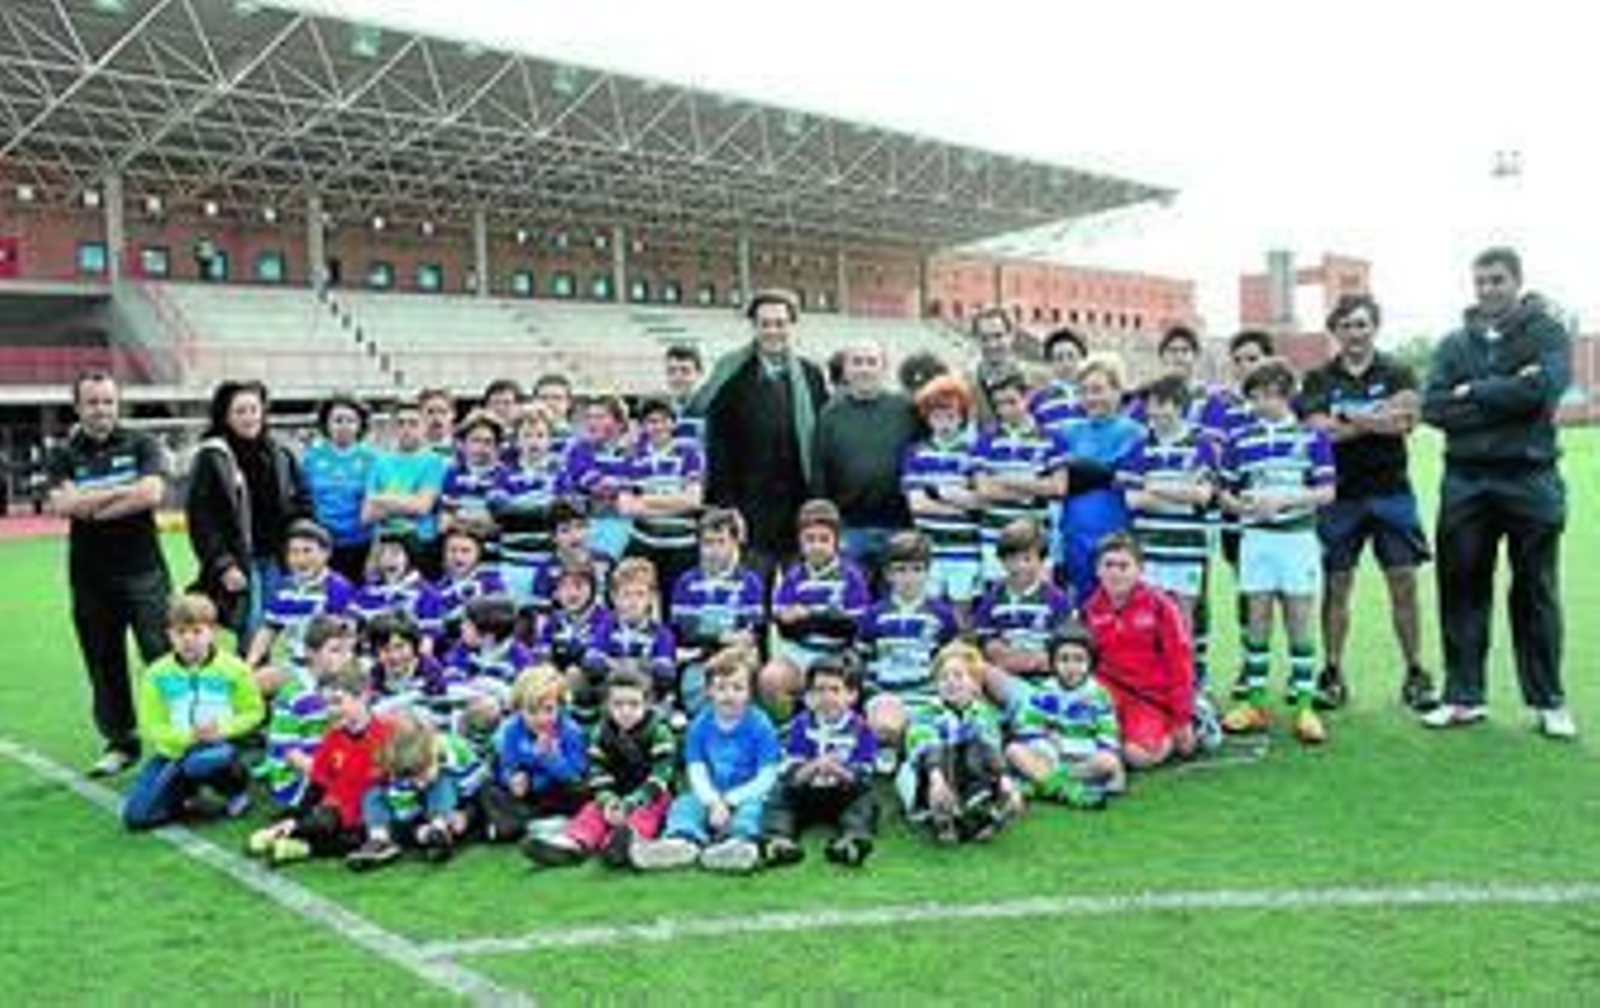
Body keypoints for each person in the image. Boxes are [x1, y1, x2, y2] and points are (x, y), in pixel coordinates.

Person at [1420, 246, 1574, 738]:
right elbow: (1435, 409)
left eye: (1497, 280)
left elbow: (1544, 390)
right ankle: (1465, 697)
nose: (1487, 289)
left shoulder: (1547, 332)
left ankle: (1549, 701)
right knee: (1462, 588)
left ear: (1517, 281)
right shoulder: (1452, 344)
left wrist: (1475, 391)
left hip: (1530, 479)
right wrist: (1507, 390)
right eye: (1481, 281)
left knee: (1536, 590)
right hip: (1466, 481)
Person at [1299, 293, 1436, 712]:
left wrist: (1349, 417)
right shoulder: (1320, 377)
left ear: (1374, 326)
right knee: (1337, 586)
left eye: (1362, 324)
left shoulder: (1397, 370)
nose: (1355, 333)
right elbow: (1322, 434)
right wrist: (1377, 417)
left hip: (1391, 493)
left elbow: (1405, 422)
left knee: (1404, 585)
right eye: (1346, 325)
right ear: (1335, 330)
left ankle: (1415, 672)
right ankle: (1333, 672)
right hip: (1339, 496)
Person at [46, 371, 173, 776]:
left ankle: (178, 736)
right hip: (90, 577)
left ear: (118, 405)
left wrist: (90, 503)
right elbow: (63, 507)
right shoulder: (63, 454)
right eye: (92, 402)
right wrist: (124, 493)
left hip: (144, 573)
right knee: (104, 661)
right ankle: (122, 741)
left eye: (107, 402)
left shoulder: (141, 442)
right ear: (78, 407)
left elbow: (151, 495)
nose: (101, 410)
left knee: (162, 656)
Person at [1218, 360, 1337, 745]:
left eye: (1265, 395)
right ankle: (1254, 703)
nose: (1257, 403)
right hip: (1257, 540)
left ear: (1283, 393)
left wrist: (1285, 498)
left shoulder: (1311, 438)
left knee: (1300, 621)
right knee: (1257, 620)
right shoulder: (1241, 439)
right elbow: (1225, 493)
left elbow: (1326, 492)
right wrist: (1244, 506)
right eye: (1252, 396)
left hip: (1298, 540)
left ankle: (1304, 706)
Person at [690, 288, 829, 580]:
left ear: (792, 326)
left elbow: (822, 444)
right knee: (752, 598)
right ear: (754, 327)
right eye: (765, 324)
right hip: (749, 508)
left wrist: (819, 501)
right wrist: (728, 506)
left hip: (799, 506)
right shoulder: (732, 376)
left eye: (780, 323)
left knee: (801, 594)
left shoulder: (811, 375)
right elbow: (719, 446)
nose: (773, 331)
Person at [630, 646, 781, 874]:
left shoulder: (761, 725)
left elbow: (766, 777)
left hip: (748, 793)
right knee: (684, 805)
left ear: (750, 692)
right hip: (709, 793)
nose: (728, 695)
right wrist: (712, 801)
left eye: (737, 688)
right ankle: (681, 843)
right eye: (720, 688)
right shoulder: (700, 724)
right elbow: (696, 770)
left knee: (754, 811)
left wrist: (729, 801)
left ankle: (737, 845)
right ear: (709, 691)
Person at [122, 594, 264, 831]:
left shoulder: (234, 668)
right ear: (170, 635)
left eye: (197, 631)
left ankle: (234, 790)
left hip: (220, 748)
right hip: (175, 755)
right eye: (180, 632)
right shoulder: (157, 673)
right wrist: (188, 738)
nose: (188, 639)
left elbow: (253, 712)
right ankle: (186, 791)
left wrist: (222, 730)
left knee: (205, 760)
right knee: (137, 818)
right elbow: (150, 725)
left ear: (212, 632)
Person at [186, 379, 310, 646]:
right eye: (240, 411)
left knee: (273, 629)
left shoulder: (279, 453)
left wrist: (301, 547)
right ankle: (249, 685)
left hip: (277, 558)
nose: (249, 417)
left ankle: (263, 686)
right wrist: (223, 564)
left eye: (254, 410)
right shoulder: (213, 457)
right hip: (241, 560)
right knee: (251, 628)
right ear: (225, 416)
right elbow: (201, 520)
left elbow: (302, 503)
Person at [524, 668, 677, 868]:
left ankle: (622, 844)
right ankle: (573, 845)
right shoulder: (601, 733)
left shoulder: (660, 733)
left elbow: (661, 777)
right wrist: (608, 801)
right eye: (618, 704)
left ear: (647, 704)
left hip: (651, 794)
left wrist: (630, 804)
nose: (626, 711)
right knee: (591, 811)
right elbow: (598, 774)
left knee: (645, 815)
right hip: (615, 792)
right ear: (607, 705)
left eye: (634, 704)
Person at [246, 660, 393, 867]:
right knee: (324, 821)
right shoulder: (332, 738)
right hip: (336, 811)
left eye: (337, 701)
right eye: (327, 704)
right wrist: (300, 816)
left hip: (372, 814)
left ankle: (295, 840)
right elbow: (318, 783)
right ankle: (288, 832)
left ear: (363, 697)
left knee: (355, 838)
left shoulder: (386, 734)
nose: (331, 710)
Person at [1078, 534, 1197, 768]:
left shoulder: (1161, 605)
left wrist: (1182, 718)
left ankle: (1189, 724)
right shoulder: (1090, 609)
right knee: (1075, 734)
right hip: (1107, 693)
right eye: (1108, 565)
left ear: (1140, 570)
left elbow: (1180, 662)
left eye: (1124, 566)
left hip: (1149, 698)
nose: (1115, 573)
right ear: (1097, 570)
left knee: (1138, 757)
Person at [760, 656, 880, 869]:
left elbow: (865, 773)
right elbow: (789, 770)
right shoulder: (800, 725)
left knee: (865, 801)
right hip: (806, 789)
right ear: (808, 696)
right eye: (819, 690)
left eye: (835, 690)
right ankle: (779, 840)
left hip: (843, 791)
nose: (826, 697)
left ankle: (850, 842)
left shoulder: (861, 728)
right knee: (779, 797)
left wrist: (838, 770)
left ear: (851, 695)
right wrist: (813, 767)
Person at [813, 339, 920, 576]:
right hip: (850, 528)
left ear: (883, 368)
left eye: (871, 362)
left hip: (898, 526)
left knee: (893, 601)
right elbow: (819, 472)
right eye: (857, 362)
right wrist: (828, 525)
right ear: (846, 369)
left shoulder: (906, 409)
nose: (864, 369)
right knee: (853, 602)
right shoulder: (830, 414)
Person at [898, 641, 1021, 845]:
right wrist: (937, 779)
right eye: (943, 677)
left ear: (974, 684)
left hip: (971, 777)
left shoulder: (984, 714)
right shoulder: (926, 712)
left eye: (958, 676)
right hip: (931, 778)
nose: (950, 682)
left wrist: (1004, 778)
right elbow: (922, 745)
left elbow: (991, 748)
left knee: (981, 746)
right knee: (939, 749)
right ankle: (946, 816)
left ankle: (982, 810)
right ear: (936, 684)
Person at [759, 499, 871, 720]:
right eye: (809, 539)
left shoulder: (852, 576)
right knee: (771, 678)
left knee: (837, 682)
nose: (816, 546)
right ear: (800, 541)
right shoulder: (792, 577)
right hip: (800, 653)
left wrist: (809, 617)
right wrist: (818, 620)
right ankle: (786, 728)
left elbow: (851, 627)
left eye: (824, 539)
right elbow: (786, 628)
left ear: (837, 541)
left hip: (838, 655)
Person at [857, 531, 959, 758]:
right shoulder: (874, 615)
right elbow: (862, 662)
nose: (909, 577)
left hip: (927, 695)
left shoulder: (942, 614)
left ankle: (915, 746)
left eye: (916, 569)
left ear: (927, 572)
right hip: (887, 694)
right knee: (886, 727)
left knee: (944, 732)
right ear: (888, 574)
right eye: (901, 570)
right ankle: (890, 743)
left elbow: (949, 660)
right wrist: (872, 694)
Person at [1000, 622, 1123, 807]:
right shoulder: (1044, 691)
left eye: (1079, 660)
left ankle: (1043, 783)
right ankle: (1066, 789)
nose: (1071, 667)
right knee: (1013, 750)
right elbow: (1028, 728)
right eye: (1064, 659)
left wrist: (1067, 745)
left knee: (1108, 762)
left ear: (1090, 662)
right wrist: (1046, 744)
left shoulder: (1098, 695)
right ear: (1053, 662)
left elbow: (1108, 738)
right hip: (1049, 754)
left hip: (1083, 759)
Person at [346, 710, 487, 871]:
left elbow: (480, 786)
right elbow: (405, 812)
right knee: (373, 795)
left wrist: (466, 814)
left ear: (433, 753)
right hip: (414, 812)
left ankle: (439, 832)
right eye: (413, 778)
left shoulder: (458, 751)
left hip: (456, 805)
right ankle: (379, 841)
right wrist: (418, 830)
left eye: (422, 774)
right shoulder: (400, 770)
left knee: (441, 781)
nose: (419, 783)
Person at [1054, 354, 1142, 604]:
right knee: (1082, 610)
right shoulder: (1068, 431)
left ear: (1117, 391)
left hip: (1117, 533)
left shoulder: (1134, 432)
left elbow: (1131, 480)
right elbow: (1058, 479)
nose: (1091, 398)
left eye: (1098, 390)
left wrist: (1088, 473)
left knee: (1118, 608)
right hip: (1074, 533)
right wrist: (1104, 474)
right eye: (1084, 391)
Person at [901, 374, 985, 622]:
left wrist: (939, 492)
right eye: (938, 416)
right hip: (930, 548)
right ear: (927, 418)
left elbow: (980, 501)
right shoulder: (917, 452)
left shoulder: (974, 452)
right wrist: (961, 506)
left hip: (965, 548)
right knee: (932, 613)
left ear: (962, 417)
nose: (945, 423)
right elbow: (917, 505)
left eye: (951, 416)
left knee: (963, 615)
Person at [973, 367, 1068, 583]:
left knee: (1039, 603)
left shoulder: (1053, 439)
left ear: (1027, 397)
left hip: (1037, 540)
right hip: (995, 537)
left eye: (1012, 402)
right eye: (999, 404)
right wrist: (1034, 489)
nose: (1005, 410)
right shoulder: (985, 440)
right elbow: (984, 489)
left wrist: (1006, 480)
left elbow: (1059, 487)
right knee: (1000, 603)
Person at [669, 507, 767, 714]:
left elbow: (751, 632)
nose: (714, 549)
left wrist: (727, 642)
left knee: (746, 658)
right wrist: (721, 637)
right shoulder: (686, 582)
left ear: (734, 543)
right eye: (708, 543)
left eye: (721, 541)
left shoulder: (750, 582)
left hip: (737, 653)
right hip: (698, 652)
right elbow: (686, 632)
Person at [254, 614, 355, 810]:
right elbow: (287, 751)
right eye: (335, 650)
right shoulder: (295, 694)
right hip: (298, 782)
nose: (344, 657)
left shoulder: (340, 687)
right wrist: (329, 773)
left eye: (348, 651)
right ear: (311, 652)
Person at [244, 519, 356, 694]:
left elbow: (346, 638)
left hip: (327, 670)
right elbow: (269, 629)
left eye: (307, 551)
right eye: (294, 552)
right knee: (247, 687)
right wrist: (249, 664)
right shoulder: (285, 587)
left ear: (326, 553)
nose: (300, 559)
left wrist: (331, 672)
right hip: (294, 666)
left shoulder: (337, 588)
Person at [480, 665, 589, 843]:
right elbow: (508, 764)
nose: (541, 719)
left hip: (557, 790)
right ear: (519, 709)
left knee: (582, 791)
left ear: (560, 706)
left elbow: (576, 774)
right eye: (532, 711)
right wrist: (512, 778)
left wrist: (552, 759)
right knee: (487, 785)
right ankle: (526, 823)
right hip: (527, 796)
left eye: (548, 709)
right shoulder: (512, 730)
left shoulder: (570, 730)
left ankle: (521, 825)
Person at [617, 395, 704, 597]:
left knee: (674, 605)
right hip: (644, 541)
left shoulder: (689, 453)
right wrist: (674, 499)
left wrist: (646, 499)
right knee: (631, 597)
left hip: (682, 544)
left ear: (673, 422)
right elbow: (626, 507)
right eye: (652, 421)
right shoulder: (632, 456)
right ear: (643, 425)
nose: (658, 426)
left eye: (664, 420)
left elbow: (693, 500)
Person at [974, 518, 1073, 689]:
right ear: (1002, 561)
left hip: (1045, 673)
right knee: (986, 672)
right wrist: (1004, 655)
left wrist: (1037, 660)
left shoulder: (1057, 599)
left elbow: (1064, 642)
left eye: (1027, 559)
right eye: (1012, 559)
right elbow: (986, 641)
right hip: (1006, 672)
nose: (1020, 566)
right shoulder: (992, 599)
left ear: (1042, 561)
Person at [361, 397, 448, 580]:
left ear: (424, 427)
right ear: (393, 428)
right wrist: (408, 501)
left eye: (413, 423)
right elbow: (367, 515)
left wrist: (381, 500)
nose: (406, 429)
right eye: (400, 423)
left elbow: (422, 507)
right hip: (385, 546)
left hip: (420, 544)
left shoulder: (433, 461)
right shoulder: (379, 461)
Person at [302, 393, 378, 583]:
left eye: (350, 420)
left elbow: (377, 506)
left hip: (361, 544)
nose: (344, 426)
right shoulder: (311, 458)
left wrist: (375, 551)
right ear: (326, 424)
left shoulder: (372, 459)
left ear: (360, 424)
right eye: (338, 420)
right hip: (322, 545)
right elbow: (304, 500)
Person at [967, 306, 1023, 426]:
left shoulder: (1033, 383)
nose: (992, 345)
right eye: (984, 338)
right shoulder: (966, 387)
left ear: (1011, 336)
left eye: (998, 336)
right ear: (976, 340)